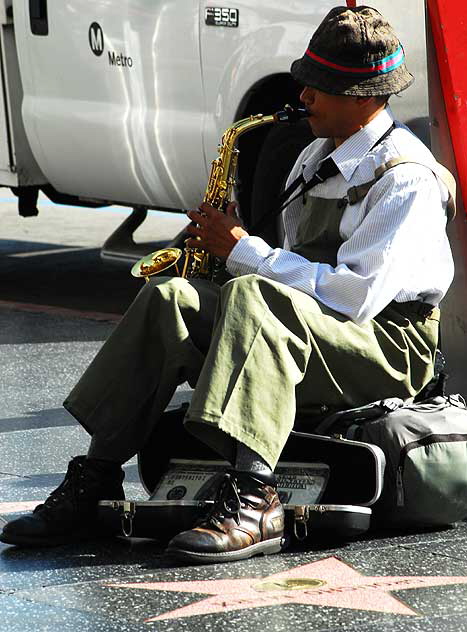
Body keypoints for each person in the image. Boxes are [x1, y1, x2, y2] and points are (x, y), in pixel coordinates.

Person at [1, 5, 455, 563]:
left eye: (319, 87)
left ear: (365, 98)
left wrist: (245, 251)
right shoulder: (315, 156)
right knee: (173, 298)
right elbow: (291, 272)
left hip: (385, 348)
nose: (303, 97)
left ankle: (254, 495)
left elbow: (353, 297)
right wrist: (219, 255)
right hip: (310, 329)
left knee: (253, 294)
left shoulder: (405, 178)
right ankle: (95, 476)